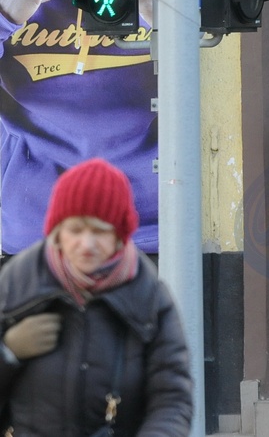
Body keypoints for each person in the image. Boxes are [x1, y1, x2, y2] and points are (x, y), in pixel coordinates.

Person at [0, 158, 193, 436]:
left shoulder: (149, 295)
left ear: (119, 236)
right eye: (76, 230)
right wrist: (9, 353)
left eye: (100, 231)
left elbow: (172, 399)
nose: (87, 244)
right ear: (58, 232)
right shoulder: (16, 285)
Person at [0, 0, 158, 257]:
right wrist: (4, 17)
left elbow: (218, 100)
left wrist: (175, 25)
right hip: (34, 237)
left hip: (162, 233)